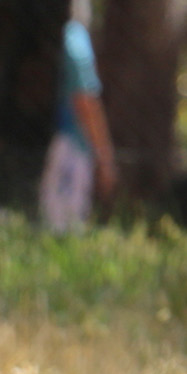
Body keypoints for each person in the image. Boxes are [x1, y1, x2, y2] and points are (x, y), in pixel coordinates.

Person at [41, 17, 116, 231]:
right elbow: (85, 99)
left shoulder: (70, 38)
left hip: (67, 143)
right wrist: (104, 158)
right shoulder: (76, 38)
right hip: (72, 146)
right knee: (64, 227)